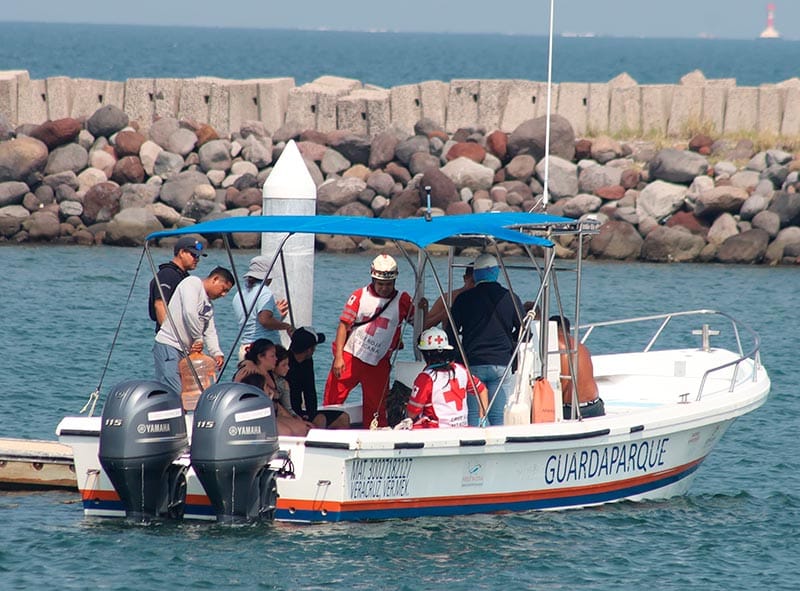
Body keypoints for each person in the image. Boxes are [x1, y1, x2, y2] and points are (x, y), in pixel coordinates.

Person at [324, 254, 414, 428]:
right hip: (351, 355)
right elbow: (343, 326)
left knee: (377, 407)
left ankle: (374, 436)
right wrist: (339, 357)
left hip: (379, 362)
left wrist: (424, 307)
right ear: (373, 278)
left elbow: (418, 322)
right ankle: (326, 429)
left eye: (388, 284)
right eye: (380, 284)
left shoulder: (402, 300)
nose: (384, 288)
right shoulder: (359, 296)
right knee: (333, 399)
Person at [450, 253, 522, 426]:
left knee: (472, 415)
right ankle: (498, 450)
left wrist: (458, 358)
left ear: (475, 274)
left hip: (472, 363)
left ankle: (472, 450)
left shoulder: (463, 299)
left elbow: (451, 333)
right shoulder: (510, 297)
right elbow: (524, 332)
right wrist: (509, 342)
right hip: (502, 364)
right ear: (496, 272)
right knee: (497, 417)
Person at [153, 266, 234, 394]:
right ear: (215, 279)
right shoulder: (192, 283)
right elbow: (189, 313)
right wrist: (198, 339)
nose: (223, 295)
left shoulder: (209, 306)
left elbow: (210, 331)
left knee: (188, 392)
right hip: (169, 345)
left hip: (186, 352)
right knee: (174, 390)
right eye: (224, 289)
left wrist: (216, 352)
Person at [407, 327, 489, 429]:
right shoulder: (461, 370)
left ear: (426, 353)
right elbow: (482, 390)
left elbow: (412, 413)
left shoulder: (426, 378)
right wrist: (482, 419)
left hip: (435, 431)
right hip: (461, 429)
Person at [233, 339, 313, 437]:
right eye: (272, 356)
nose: (276, 358)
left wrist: (294, 418)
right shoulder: (249, 372)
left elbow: (278, 406)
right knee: (290, 431)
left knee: (302, 427)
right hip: (254, 417)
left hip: (272, 414)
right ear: (260, 357)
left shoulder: (269, 373)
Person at [288, 327, 350, 429]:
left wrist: (311, 414)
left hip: (302, 412)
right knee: (320, 420)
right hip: (290, 414)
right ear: (309, 350)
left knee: (343, 418)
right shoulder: (284, 364)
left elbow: (310, 391)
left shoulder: (307, 361)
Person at [232, 255, 292, 360]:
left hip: (245, 348)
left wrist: (276, 315)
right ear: (267, 276)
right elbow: (264, 321)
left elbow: (252, 319)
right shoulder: (264, 292)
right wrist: (286, 326)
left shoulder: (240, 294)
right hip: (263, 351)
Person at [549, 315, 604, 419]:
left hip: (572, 410)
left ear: (550, 329)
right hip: (595, 406)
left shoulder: (554, 346)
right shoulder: (581, 347)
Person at [148, 236, 206, 332]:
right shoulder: (167, 274)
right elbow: (160, 304)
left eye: (198, 256)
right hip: (170, 338)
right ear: (182, 253)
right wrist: (169, 334)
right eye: (194, 255)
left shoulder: (184, 277)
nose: (197, 259)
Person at [422, 264, 475, 330]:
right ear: (465, 278)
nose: (476, 286)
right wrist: (444, 313)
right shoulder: (447, 298)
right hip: (451, 338)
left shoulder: (486, 299)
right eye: (473, 282)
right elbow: (425, 326)